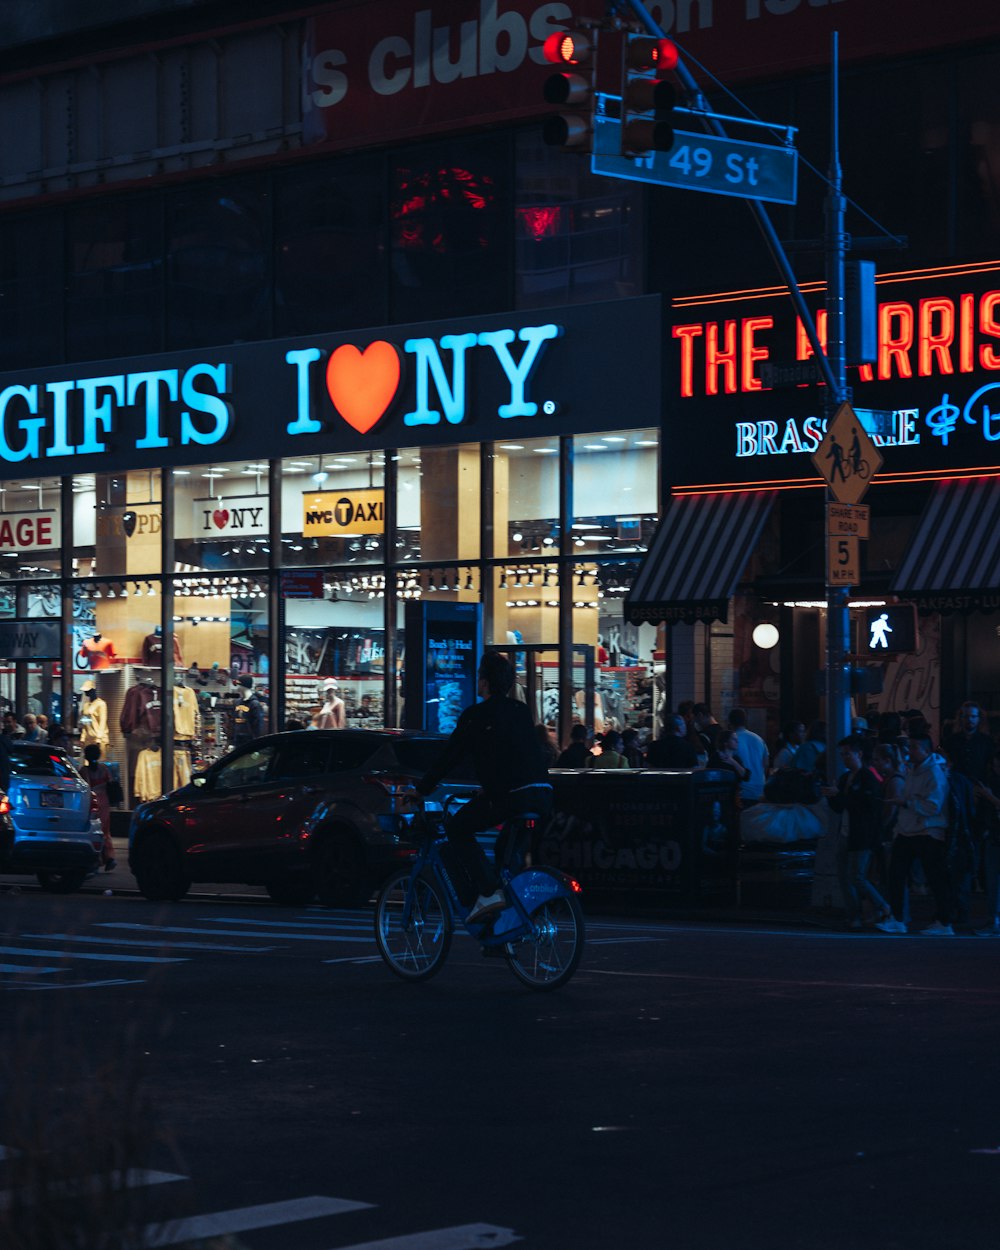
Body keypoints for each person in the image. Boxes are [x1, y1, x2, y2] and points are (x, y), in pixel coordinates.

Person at [416, 652, 552, 924]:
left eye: (479, 676)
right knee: (506, 855)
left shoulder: (476, 715)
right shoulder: (521, 710)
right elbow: (516, 755)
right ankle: (506, 917)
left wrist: (422, 789)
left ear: (485, 682)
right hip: (542, 793)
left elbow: (451, 756)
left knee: (457, 828)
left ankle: (489, 894)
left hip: (511, 796)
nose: (477, 681)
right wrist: (490, 787)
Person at [877, 731, 953, 935]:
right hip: (909, 829)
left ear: (926, 750)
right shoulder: (913, 769)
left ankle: (944, 922)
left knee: (934, 877)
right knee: (896, 874)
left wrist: (907, 803)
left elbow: (933, 806)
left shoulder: (934, 773)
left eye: (914, 747)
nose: (909, 751)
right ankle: (898, 918)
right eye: (909, 747)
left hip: (928, 830)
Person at [822, 735, 891, 929]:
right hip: (845, 832)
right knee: (845, 876)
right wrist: (831, 796)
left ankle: (882, 906)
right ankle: (854, 915)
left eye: (848, 754)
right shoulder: (845, 778)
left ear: (859, 754)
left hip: (862, 834)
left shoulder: (868, 777)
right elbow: (840, 807)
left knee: (857, 876)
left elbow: (864, 806)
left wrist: (840, 795)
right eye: (842, 754)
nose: (844, 758)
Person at [974, 746, 1000, 936]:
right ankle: (994, 919)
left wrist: (988, 797)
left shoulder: (992, 786)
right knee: (993, 881)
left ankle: (995, 920)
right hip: (993, 835)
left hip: (995, 836)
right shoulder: (992, 782)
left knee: (995, 881)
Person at [81, 742, 116, 871]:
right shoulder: (104, 769)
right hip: (104, 802)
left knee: (94, 831)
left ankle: (97, 859)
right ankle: (109, 857)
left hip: (92, 803)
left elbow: (86, 788)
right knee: (105, 832)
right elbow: (110, 784)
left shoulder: (84, 771)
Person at [727, 708, 768, 805]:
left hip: (742, 792)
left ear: (730, 722)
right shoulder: (759, 739)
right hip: (760, 790)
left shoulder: (732, 740)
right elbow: (766, 764)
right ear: (745, 721)